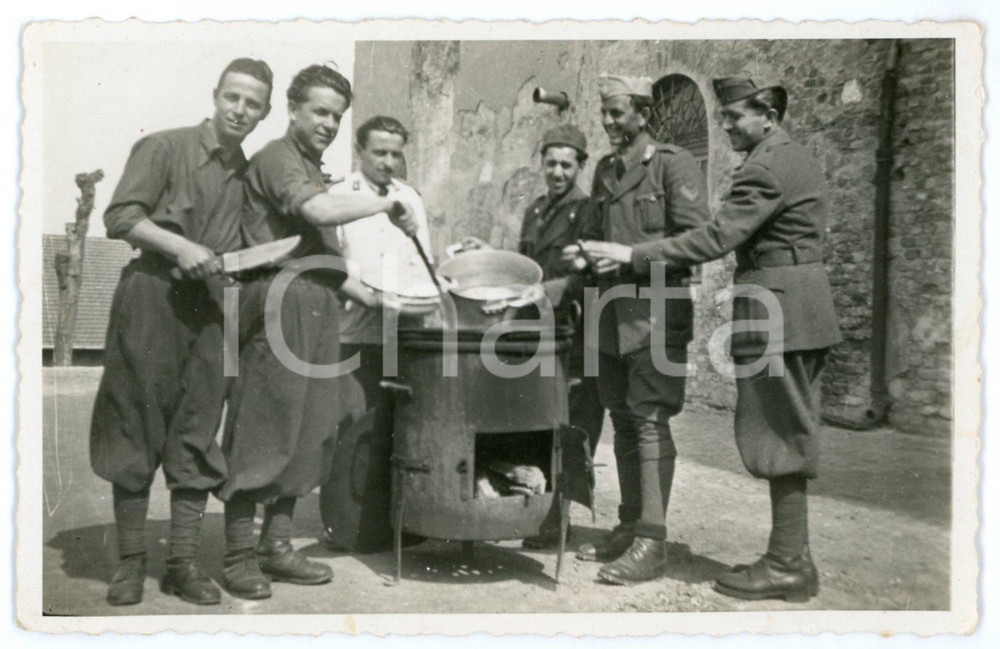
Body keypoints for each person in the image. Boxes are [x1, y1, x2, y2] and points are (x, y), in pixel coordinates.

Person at [578, 69, 841, 601]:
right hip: (788, 301)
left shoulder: (766, 166)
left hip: (779, 309)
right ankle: (790, 558)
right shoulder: (789, 157)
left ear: (768, 115)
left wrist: (632, 255)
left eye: (735, 115)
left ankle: (789, 561)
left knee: (782, 438)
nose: (724, 126)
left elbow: (718, 235)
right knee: (783, 434)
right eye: (722, 115)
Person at [218, 65, 418, 600]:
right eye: (320, 111)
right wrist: (386, 202)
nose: (329, 123)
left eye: (336, 115)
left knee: (309, 432)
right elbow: (315, 209)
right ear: (293, 110)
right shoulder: (280, 159)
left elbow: (327, 263)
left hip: (318, 305)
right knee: (264, 428)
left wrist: (382, 301)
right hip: (278, 303)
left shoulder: (311, 166)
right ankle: (238, 555)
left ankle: (277, 546)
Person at [89, 58, 274, 606]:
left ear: (264, 114)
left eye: (253, 104)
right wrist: (181, 246)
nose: (240, 110)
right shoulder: (165, 147)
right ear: (216, 95)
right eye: (233, 98)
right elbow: (121, 216)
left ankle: (183, 565)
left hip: (212, 307)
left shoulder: (248, 173)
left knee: (196, 429)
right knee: (135, 422)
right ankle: (129, 565)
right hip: (152, 295)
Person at [571, 73, 709, 585]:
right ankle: (630, 526)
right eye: (604, 112)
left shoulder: (673, 164)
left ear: (643, 114)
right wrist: (582, 251)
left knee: (649, 420)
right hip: (610, 317)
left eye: (617, 113)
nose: (608, 122)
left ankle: (653, 540)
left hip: (657, 313)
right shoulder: (605, 170)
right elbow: (594, 233)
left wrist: (631, 258)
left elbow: (697, 241)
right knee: (623, 419)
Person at [319, 115, 432, 553]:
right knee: (352, 428)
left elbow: (422, 261)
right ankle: (345, 527)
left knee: (397, 427)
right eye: (379, 152)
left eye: (395, 153)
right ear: (359, 152)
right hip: (353, 332)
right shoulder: (337, 197)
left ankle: (398, 523)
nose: (388, 161)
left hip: (401, 332)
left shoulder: (409, 198)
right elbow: (331, 264)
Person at [511, 123, 606, 549]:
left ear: (580, 166)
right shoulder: (535, 210)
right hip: (539, 333)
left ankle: (558, 517)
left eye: (567, 164)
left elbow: (585, 278)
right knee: (538, 420)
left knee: (573, 425)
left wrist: (546, 291)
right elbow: (526, 265)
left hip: (575, 331)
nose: (557, 171)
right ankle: (536, 506)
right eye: (551, 162)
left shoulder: (590, 212)